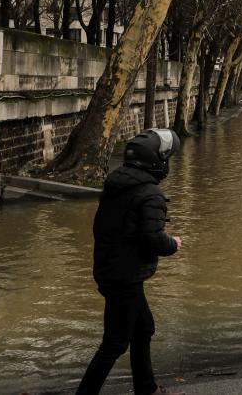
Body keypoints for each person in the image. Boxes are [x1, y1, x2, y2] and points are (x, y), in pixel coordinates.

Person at [77, 129, 184, 395]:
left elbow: (105, 227)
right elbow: (152, 238)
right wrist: (174, 243)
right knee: (114, 343)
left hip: (109, 269)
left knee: (143, 328)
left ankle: (146, 388)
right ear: (157, 161)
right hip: (126, 276)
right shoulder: (151, 194)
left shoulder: (115, 184)